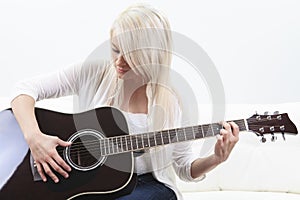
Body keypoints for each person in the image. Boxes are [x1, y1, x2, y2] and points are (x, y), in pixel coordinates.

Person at [10, 4, 239, 200]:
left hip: (148, 186)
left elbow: (183, 167)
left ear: (151, 55)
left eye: (130, 54)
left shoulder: (175, 99)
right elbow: (24, 91)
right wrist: (35, 139)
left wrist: (216, 159)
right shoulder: (94, 72)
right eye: (115, 49)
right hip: (96, 184)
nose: (119, 61)